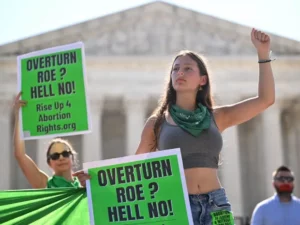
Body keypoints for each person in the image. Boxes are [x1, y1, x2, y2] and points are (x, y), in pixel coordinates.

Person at [75, 28, 275, 225]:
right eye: (175, 69)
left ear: (202, 80)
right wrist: (97, 182)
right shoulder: (157, 123)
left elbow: (265, 100)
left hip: (217, 204)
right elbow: (132, 170)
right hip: (177, 206)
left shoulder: (218, 117)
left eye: (188, 68)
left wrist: (263, 54)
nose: (180, 72)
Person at [13, 92, 81, 188]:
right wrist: (19, 116)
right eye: (55, 156)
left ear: (72, 158)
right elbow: (20, 155)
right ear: (49, 163)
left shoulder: (84, 184)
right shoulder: (45, 184)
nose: (61, 158)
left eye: (65, 154)